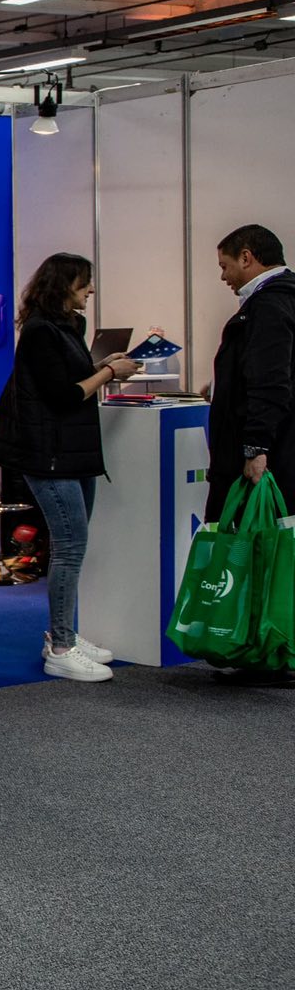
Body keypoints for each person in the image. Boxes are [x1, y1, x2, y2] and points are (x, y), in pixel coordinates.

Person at [0, 254, 138, 682]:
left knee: (74, 546)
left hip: (74, 453)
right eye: (85, 283)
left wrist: (104, 367)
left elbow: (72, 380)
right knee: (69, 548)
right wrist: (108, 372)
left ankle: (63, 632)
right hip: (49, 456)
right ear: (65, 284)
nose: (90, 290)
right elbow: (65, 395)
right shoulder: (38, 331)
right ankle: (62, 647)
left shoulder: (69, 327)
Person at [205, 224, 295, 686]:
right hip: (280, 448)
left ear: (247, 257)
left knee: (259, 552)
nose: (222, 276)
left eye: (224, 265)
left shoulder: (270, 306)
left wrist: (255, 446)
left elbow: (270, 381)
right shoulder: (281, 301)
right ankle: (268, 649)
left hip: (268, 454)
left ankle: (268, 653)